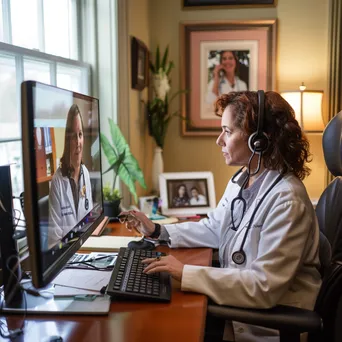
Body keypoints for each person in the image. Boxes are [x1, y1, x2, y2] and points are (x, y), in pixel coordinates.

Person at [122, 91, 321, 341]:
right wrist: (158, 231)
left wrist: (186, 272)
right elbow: (216, 227)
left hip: (265, 326)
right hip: (238, 310)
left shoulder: (287, 200)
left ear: (258, 140)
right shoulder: (243, 179)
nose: (219, 140)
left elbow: (263, 287)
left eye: (227, 131)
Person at [48, 104, 93, 248]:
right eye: (73, 136)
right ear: (67, 141)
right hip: (66, 256)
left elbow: (89, 221)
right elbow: (54, 240)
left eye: (80, 135)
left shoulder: (85, 173)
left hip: (85, 248)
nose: (78, 142)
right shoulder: (58, 181)